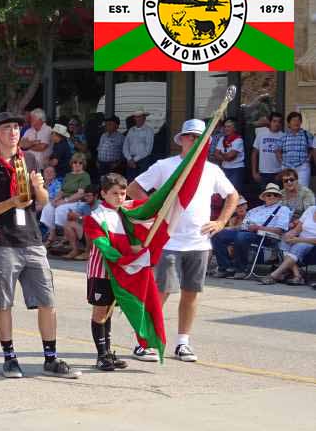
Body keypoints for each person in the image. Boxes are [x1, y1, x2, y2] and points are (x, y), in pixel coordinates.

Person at [0, 111, 80, 379]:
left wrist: (39, 186)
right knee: (4, 302)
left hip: (31, 239)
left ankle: (51, 359)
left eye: (17, 128)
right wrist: (10, 203)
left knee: (47, 300)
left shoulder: (28, 159)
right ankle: (9, 358)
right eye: (7, 128)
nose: (13, 133)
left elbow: (41, 200)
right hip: (2, 242)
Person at [128, 119, 238, 362]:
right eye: (191, 136)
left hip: (198, 243)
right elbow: (134, 188)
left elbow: (232, 195)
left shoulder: (211, 169)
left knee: (191, 293)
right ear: (183, 139)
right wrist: (154, 209)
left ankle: (182, 343)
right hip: (169, 241)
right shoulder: (166, 165)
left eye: (200, 138)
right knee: (161, 292)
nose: (195, 141)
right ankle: (144, 341)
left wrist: (220, 222)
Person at [82, 173, 136, 371]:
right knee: (100, 311)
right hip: (101, 272)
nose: (120, 198)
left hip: (119, 272)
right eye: (114, 193)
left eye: (123, 193)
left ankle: (108, 352)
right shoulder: (96, 216)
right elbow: (102, 244)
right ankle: (101, 355)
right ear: (103, 194)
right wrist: (124, 259)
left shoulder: (124, 214)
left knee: (109, 311)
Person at [211, 183, 289, 279]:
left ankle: (241, 269)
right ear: (264, 197)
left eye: (275, 195)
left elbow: (279, 230)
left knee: (241, 237)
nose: (272, 196)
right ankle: (225, 267)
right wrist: (225, 228)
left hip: (266, 237)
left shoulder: (283, 210)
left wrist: (258, 228)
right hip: (245, 232)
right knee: (218, 234)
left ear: (279, 198)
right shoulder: (255, 210)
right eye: (269, 194)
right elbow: (243, 225)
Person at [40, 153, 91, 246]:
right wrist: (55, 200)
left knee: (60, 209)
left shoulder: (85, 176)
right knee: (49, 207)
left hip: (78, 202)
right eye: (75, 162)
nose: (77, 164)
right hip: (65, 200)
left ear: (83, 164)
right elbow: (62, 191)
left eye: (80, 163)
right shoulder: (68, 175)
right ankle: (52, 235)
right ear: (72, 163)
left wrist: (64, 201)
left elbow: (80, 194)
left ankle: (66, 237)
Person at [266, 204, 316, 286]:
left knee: (299, 246)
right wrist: (290, 234)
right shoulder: (311, 209)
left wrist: (298, 240)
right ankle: (298, 275)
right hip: (300, 239)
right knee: (284, 240)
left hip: (312, 244)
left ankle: (274, 275)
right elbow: (298, 229)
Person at [276, 112, 312, 189]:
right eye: (293, 120)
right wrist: (282, 163)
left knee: (303, 190)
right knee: (289, 190)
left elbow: (312, 149)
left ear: (301, 122)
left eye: (298, 120)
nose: (296, 122)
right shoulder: (283, 136)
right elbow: (278, 151)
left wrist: (308, 159)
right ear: (289, 123)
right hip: (287, 167)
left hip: (302, 167)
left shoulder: (307, 135)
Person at [61, 187, 99, 260]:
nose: (86, 198)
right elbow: (76, 216)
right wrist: (71, 215)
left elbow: (95, 221)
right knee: (68, 224)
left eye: (89, 196)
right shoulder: (84, 206)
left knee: (89, 225)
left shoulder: (100, 205)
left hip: (97, 235)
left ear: (96, 196)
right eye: (85, 196)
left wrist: (79, 217)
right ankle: (75, 250)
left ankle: (88, 252)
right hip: (85, 234)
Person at [251, 112, 284, 186]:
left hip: (277, 173)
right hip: (263, 173)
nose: (276, 124)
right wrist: (254, 172)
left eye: (279, 122)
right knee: (263, 196)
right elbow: (254, 154)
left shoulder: (283, 136)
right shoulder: (261, 134)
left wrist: (282, 173)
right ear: (270, 122)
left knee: (277, 196)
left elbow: (285, 156)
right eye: (274, 121)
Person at [213, 119, 246, 190]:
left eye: (229, 127)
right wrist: (225, 156)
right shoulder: (222, 139)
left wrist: (221, 154)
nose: (226, 129)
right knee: (224, 191)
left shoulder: (238, 140)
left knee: (233, 191)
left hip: (236, 169)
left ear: (234, 128)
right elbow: (216, 154)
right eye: (225, 127)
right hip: (224, 168)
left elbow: (230, 157)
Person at [123, 109, 154, 181]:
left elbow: (148, 150)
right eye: (137, 117)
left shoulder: (149, 130)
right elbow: (125, 146)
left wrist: (133, 160)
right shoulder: (131, 130)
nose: (139, 119)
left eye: (140, 117)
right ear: (134, 118)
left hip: (143, 160)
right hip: (130, 159)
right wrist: (129, 158)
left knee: (142, 183)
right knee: (130, 182)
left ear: (144, 118)